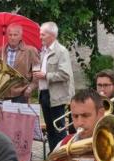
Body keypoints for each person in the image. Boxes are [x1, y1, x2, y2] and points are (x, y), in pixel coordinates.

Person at [35, 21, 74, 150]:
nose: (40, 37)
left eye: (43, 35)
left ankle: (61, 158)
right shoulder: (43, 51)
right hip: (44, 94)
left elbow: (65, 74)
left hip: (56, 96)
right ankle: (53, 158)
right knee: (50, 128)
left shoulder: (61, 51)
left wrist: (45, 75)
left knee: (58, 129)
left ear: (52, 35)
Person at [0, 24, 40, 103]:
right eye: (10, 35)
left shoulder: (31, 51)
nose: (12, 37)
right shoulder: (0, 51)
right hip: (3, 93)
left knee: (19, 115)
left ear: (21, 36)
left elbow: (37, 72)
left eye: (15, 35)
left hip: (22, 93)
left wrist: (30, 88)